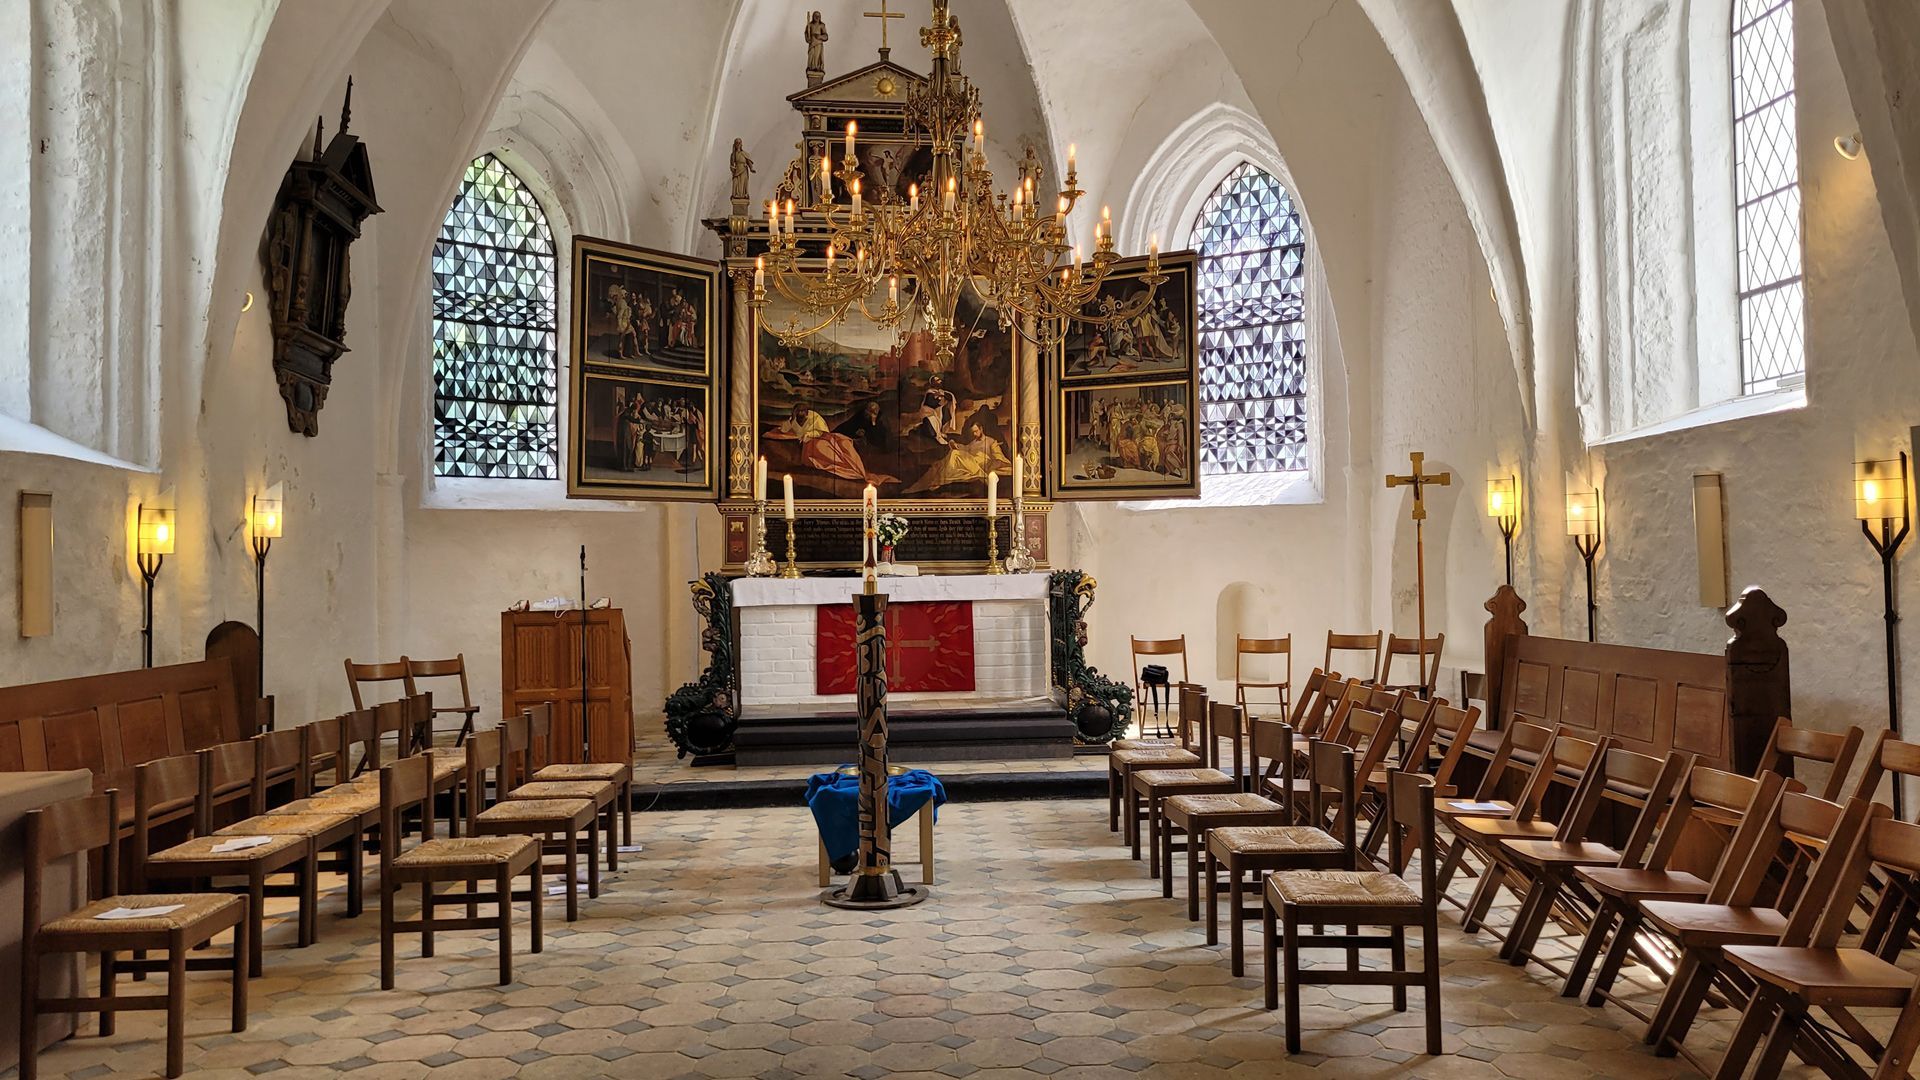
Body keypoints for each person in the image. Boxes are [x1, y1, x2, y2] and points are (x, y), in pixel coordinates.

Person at [905, 421, 1012, 494]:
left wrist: (990, 467)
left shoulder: (991, 441)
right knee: (938, 464)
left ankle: (940, 481)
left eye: (976, 431)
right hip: (969, 461)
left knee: (954, 454)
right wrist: (954, 444)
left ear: (981, 429)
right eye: (973, 432)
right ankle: (918, 487)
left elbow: (999, 458)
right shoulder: (973, 442)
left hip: (978, 464)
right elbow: (966, 449)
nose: (975, 434)